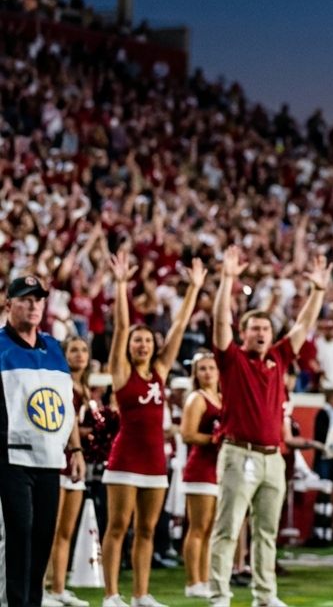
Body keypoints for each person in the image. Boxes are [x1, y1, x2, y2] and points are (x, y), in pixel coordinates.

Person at [208, 247, 330, 607]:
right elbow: (218, 324)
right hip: (237, 452)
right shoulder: (231, 359)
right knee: (228, 528)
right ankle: (219, 594)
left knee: (266, 532)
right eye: (255, 328)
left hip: (272, 457)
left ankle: (266, 595)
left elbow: (302, 327)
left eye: (265, 328)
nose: (261, 332)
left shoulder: (277, 357)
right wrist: (228, 281)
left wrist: (318, 292)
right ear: (242, 333)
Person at [101, 254, 205, 607]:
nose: (142, 345)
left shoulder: (160, 369)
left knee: (146, 530)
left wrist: (193, 290)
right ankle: (112, 594)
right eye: (137, 341)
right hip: (124, 457)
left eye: (147, 340)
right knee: (118, 529)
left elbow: (177, 329)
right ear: (129, 346)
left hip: (154, 461)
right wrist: (119, 286)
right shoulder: (120, 371)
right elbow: (119, 326)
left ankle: (141, 594)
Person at [1, 276, 83, 607]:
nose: (34, 305)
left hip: (50, 459)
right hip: (11, 458)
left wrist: (75, 448)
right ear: (8, 305)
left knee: (41, 540)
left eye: (39, 299)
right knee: (18, 536)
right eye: (25, 299)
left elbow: (66, 406)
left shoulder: (54, 348)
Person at [44, 338, 94, 607]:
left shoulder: (86, 389)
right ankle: (40, 588)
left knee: (66, 531)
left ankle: (58, 588)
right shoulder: (58, 381)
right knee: (47, 529)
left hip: (76, 462)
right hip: (57, 460)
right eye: (73, 350)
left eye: (84, 350)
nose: (79, 355)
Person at [179, 352, 223, 598]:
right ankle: (192, 581)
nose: (207, 372)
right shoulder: (197, 398)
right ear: (195, 374)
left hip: (217, 469)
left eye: (211, 368)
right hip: (200, 469)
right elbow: (187, 434)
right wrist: (216, 439)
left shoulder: (221, 397)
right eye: (202, 369)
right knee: (198, 527)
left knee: (211, 529)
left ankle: (204, 579)